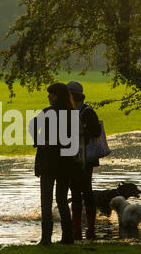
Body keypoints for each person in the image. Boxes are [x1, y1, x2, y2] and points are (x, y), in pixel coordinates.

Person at [29, 83, 75, 245]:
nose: (48, 97)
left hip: (48, 161)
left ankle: (46, 238)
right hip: (66, 162)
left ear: (58, 96)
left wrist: (41, 141)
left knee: (46, 200)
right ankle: (68, 236)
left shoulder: (48, 112)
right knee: (62, 200)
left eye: (51, 94)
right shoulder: (72, 113)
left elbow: (32, 126)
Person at [67, 81, 101, 240]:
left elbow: (96, 131)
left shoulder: (87, 111)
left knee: (86, 190)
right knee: (74, 191)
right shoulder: (68, 111)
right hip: (72, 157)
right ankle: (78, 226)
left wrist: (82, 128)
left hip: (86, 158)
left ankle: (89, 226)